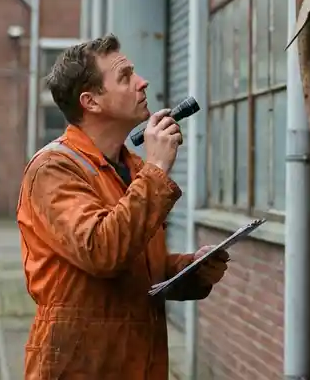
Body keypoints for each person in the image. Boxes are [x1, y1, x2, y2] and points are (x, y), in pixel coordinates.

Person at [16, 35, 228, 379]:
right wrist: (157, 168)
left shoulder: (134, 170)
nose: (142, 82)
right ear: (91, 101)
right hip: (80, 367)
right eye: (126, 76)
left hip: (139, 362)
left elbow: (137, 272)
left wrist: (190, 269)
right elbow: (103, 251)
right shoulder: (53, 169)